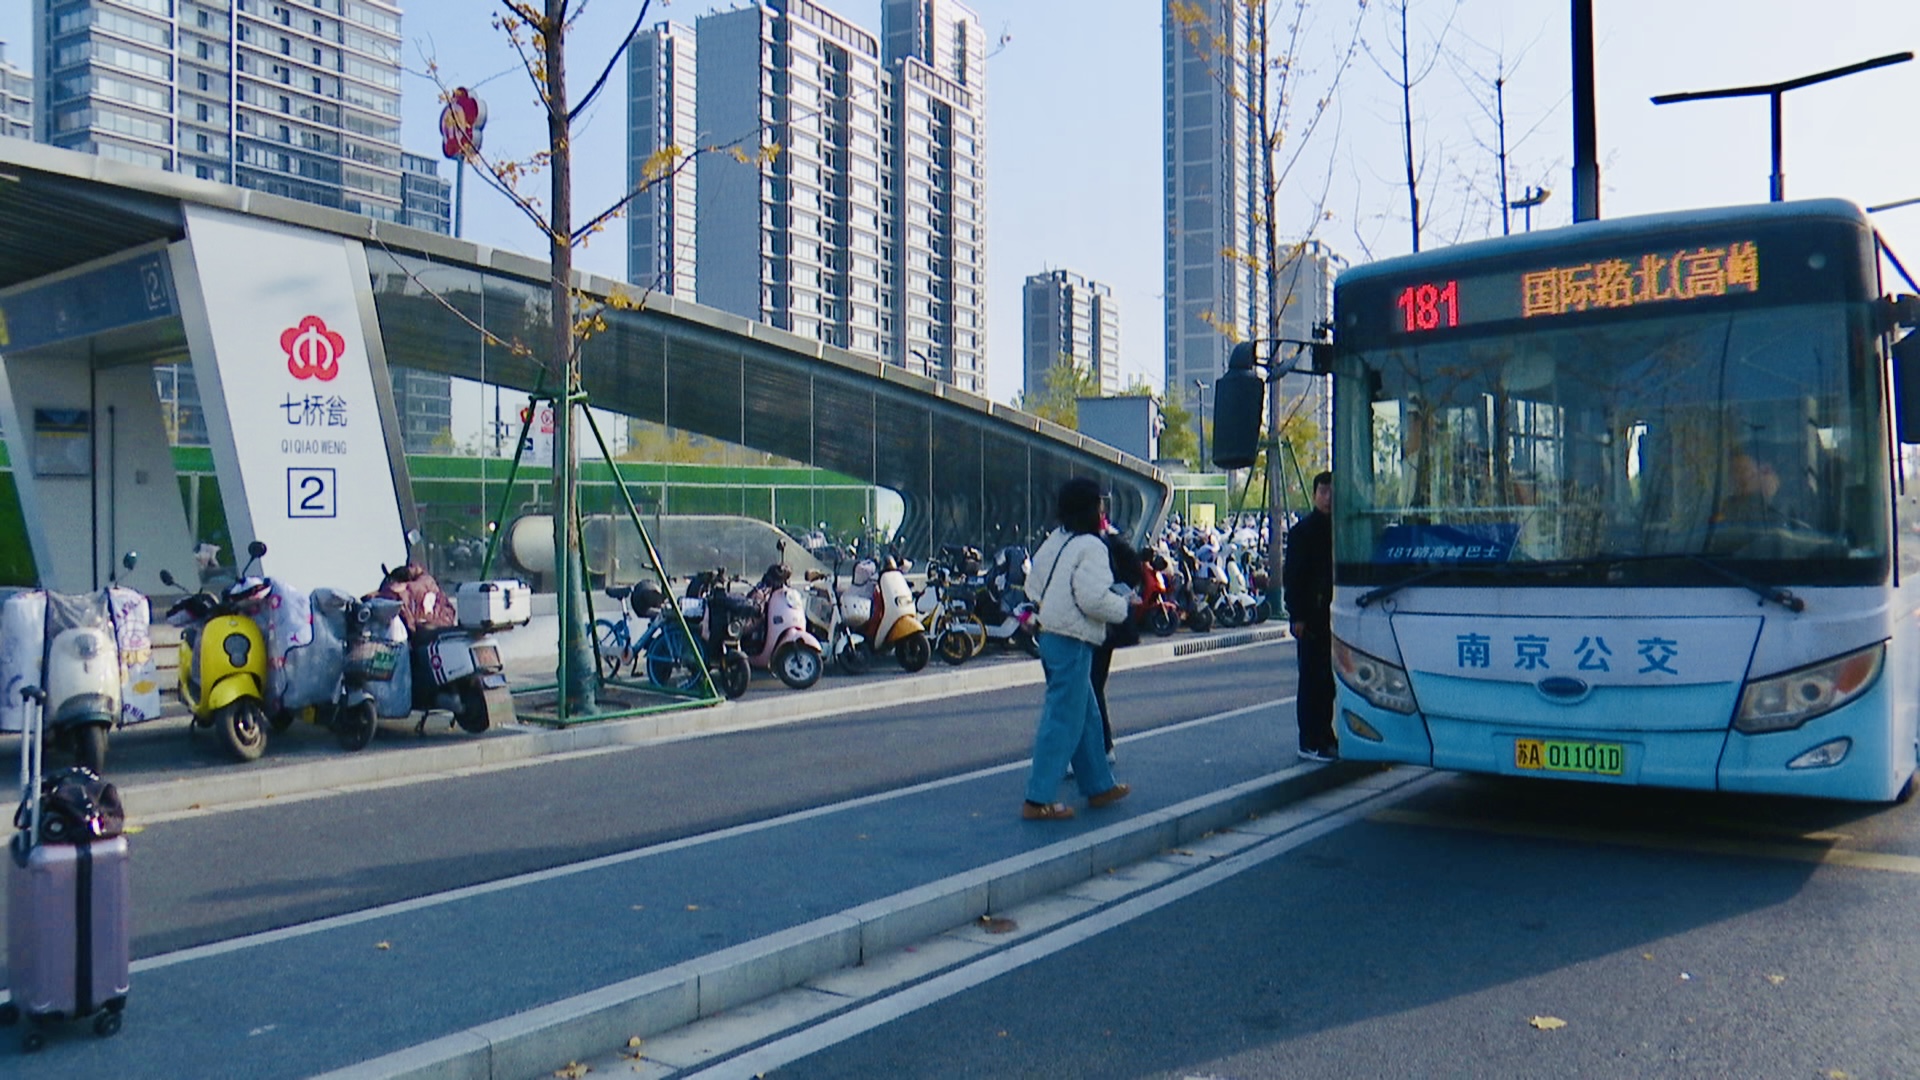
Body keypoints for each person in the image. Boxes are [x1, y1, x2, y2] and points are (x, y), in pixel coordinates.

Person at [1021, 477, 1134, 821]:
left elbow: (1032, 583)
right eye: (1100, 503)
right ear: (1092, 508)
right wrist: (1123, 606)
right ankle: (1038, 799)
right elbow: (1093, 599)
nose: (1103, 509)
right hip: (1072, 637)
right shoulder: (1092, 546)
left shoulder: (1056, 539)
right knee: (1063, 719)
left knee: (1086, 716)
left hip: (1050, 633)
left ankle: (1099, 785)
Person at [1283, 471, 1337, 762]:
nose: (1328, 498)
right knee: (1311, 680)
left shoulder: (1342, 530)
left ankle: (1325, 734)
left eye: (1332, 492)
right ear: (1314, 494)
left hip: (1335, 616)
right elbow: (1293, 578)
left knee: (1328, 682)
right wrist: (1297, 616)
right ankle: (1309, 740)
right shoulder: (1302, 532)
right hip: (1312, 618)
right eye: (1323, 492)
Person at [1093, 516, 1144, 764]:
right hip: (1108, 626)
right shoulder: (1114, 543)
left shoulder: (1098, 546)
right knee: (1094, 687)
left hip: (1097, 625)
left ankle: (1099, 746)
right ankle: (1102, 746)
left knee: (1090, 688)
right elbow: (1136, 571)